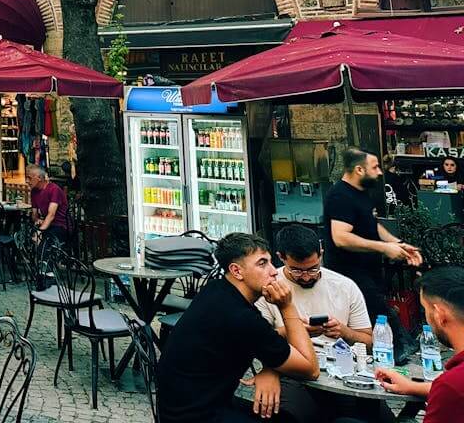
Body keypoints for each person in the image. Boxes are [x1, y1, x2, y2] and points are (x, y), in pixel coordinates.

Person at [156, 233, 319, 423]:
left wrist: (272, 365)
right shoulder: (241, 317)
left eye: (270, 262)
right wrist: (287, 307)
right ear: (237, 271)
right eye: (262, 263)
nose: (274, 271)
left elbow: (257, 340)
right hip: (199, 416)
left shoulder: (217, 290)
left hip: (177, 410)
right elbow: (311, 369)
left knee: (286, 417)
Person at [252, 224, 372, 423]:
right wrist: (295, 330)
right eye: (297, 271)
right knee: (288, 413)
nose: (307, 276)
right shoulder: (269, 289)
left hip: (343, 369)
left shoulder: (345, 286)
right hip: (293, 372)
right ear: (281, 258)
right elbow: (260, 342)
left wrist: (344, 332)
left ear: (321, 254)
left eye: (313, 269)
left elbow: (368, 341)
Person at [324, 148, 422, 359]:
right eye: (375, 167)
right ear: (359, 169)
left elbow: (373, 225)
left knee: (378, 313)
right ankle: (393, 353)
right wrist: (384, 248)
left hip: (368, 268)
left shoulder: (361, 192)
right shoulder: (340, 196)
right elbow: (340, 237)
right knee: (379, 311)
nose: (379, 172)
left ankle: (391, 352)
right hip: (348, 270)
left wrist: (398, 244)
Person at [373, 266, 464, 422]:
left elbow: (453, 389)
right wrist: (412, 387)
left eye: (425, 309)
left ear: (439, 314)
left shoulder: (451, 386)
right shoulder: (452, 385)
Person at [27, 164, 70, 246]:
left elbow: (51, 215)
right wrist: (37, 221)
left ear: (39, 178)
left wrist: (40, 231)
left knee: (44, 247)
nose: (27, 181)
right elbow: (34, 215)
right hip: (47, 223)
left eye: (29, 178)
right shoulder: (34, 191)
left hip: (60, 225)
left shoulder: (54, 189)